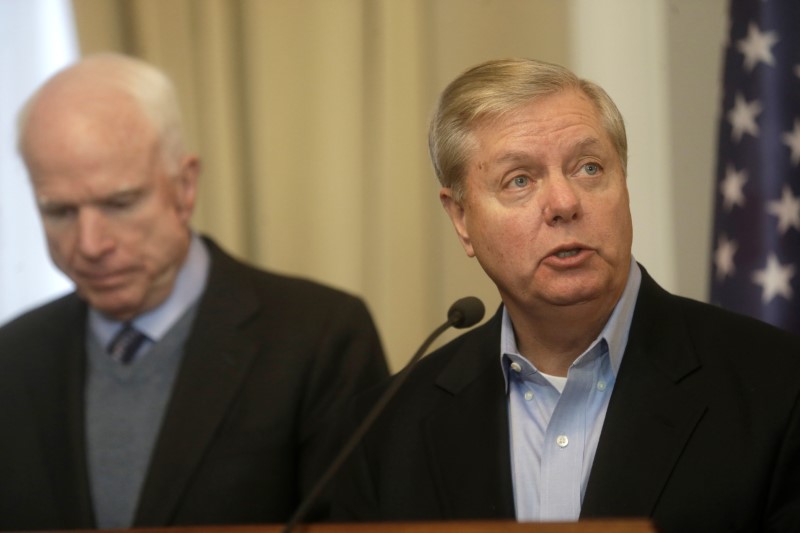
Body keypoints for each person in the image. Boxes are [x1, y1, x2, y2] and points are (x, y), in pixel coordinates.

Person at [329, 58, 800, 532]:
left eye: (589, 168)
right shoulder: (383, 432)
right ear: (461, 220)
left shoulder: (779, 386)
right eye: (519, 180)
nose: (564, 203)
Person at [0, 53, 388, 530]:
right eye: (59, 212)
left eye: (119, 203)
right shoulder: (12, 356)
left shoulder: (320, 337)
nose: (89, 244)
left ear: (184, 188)